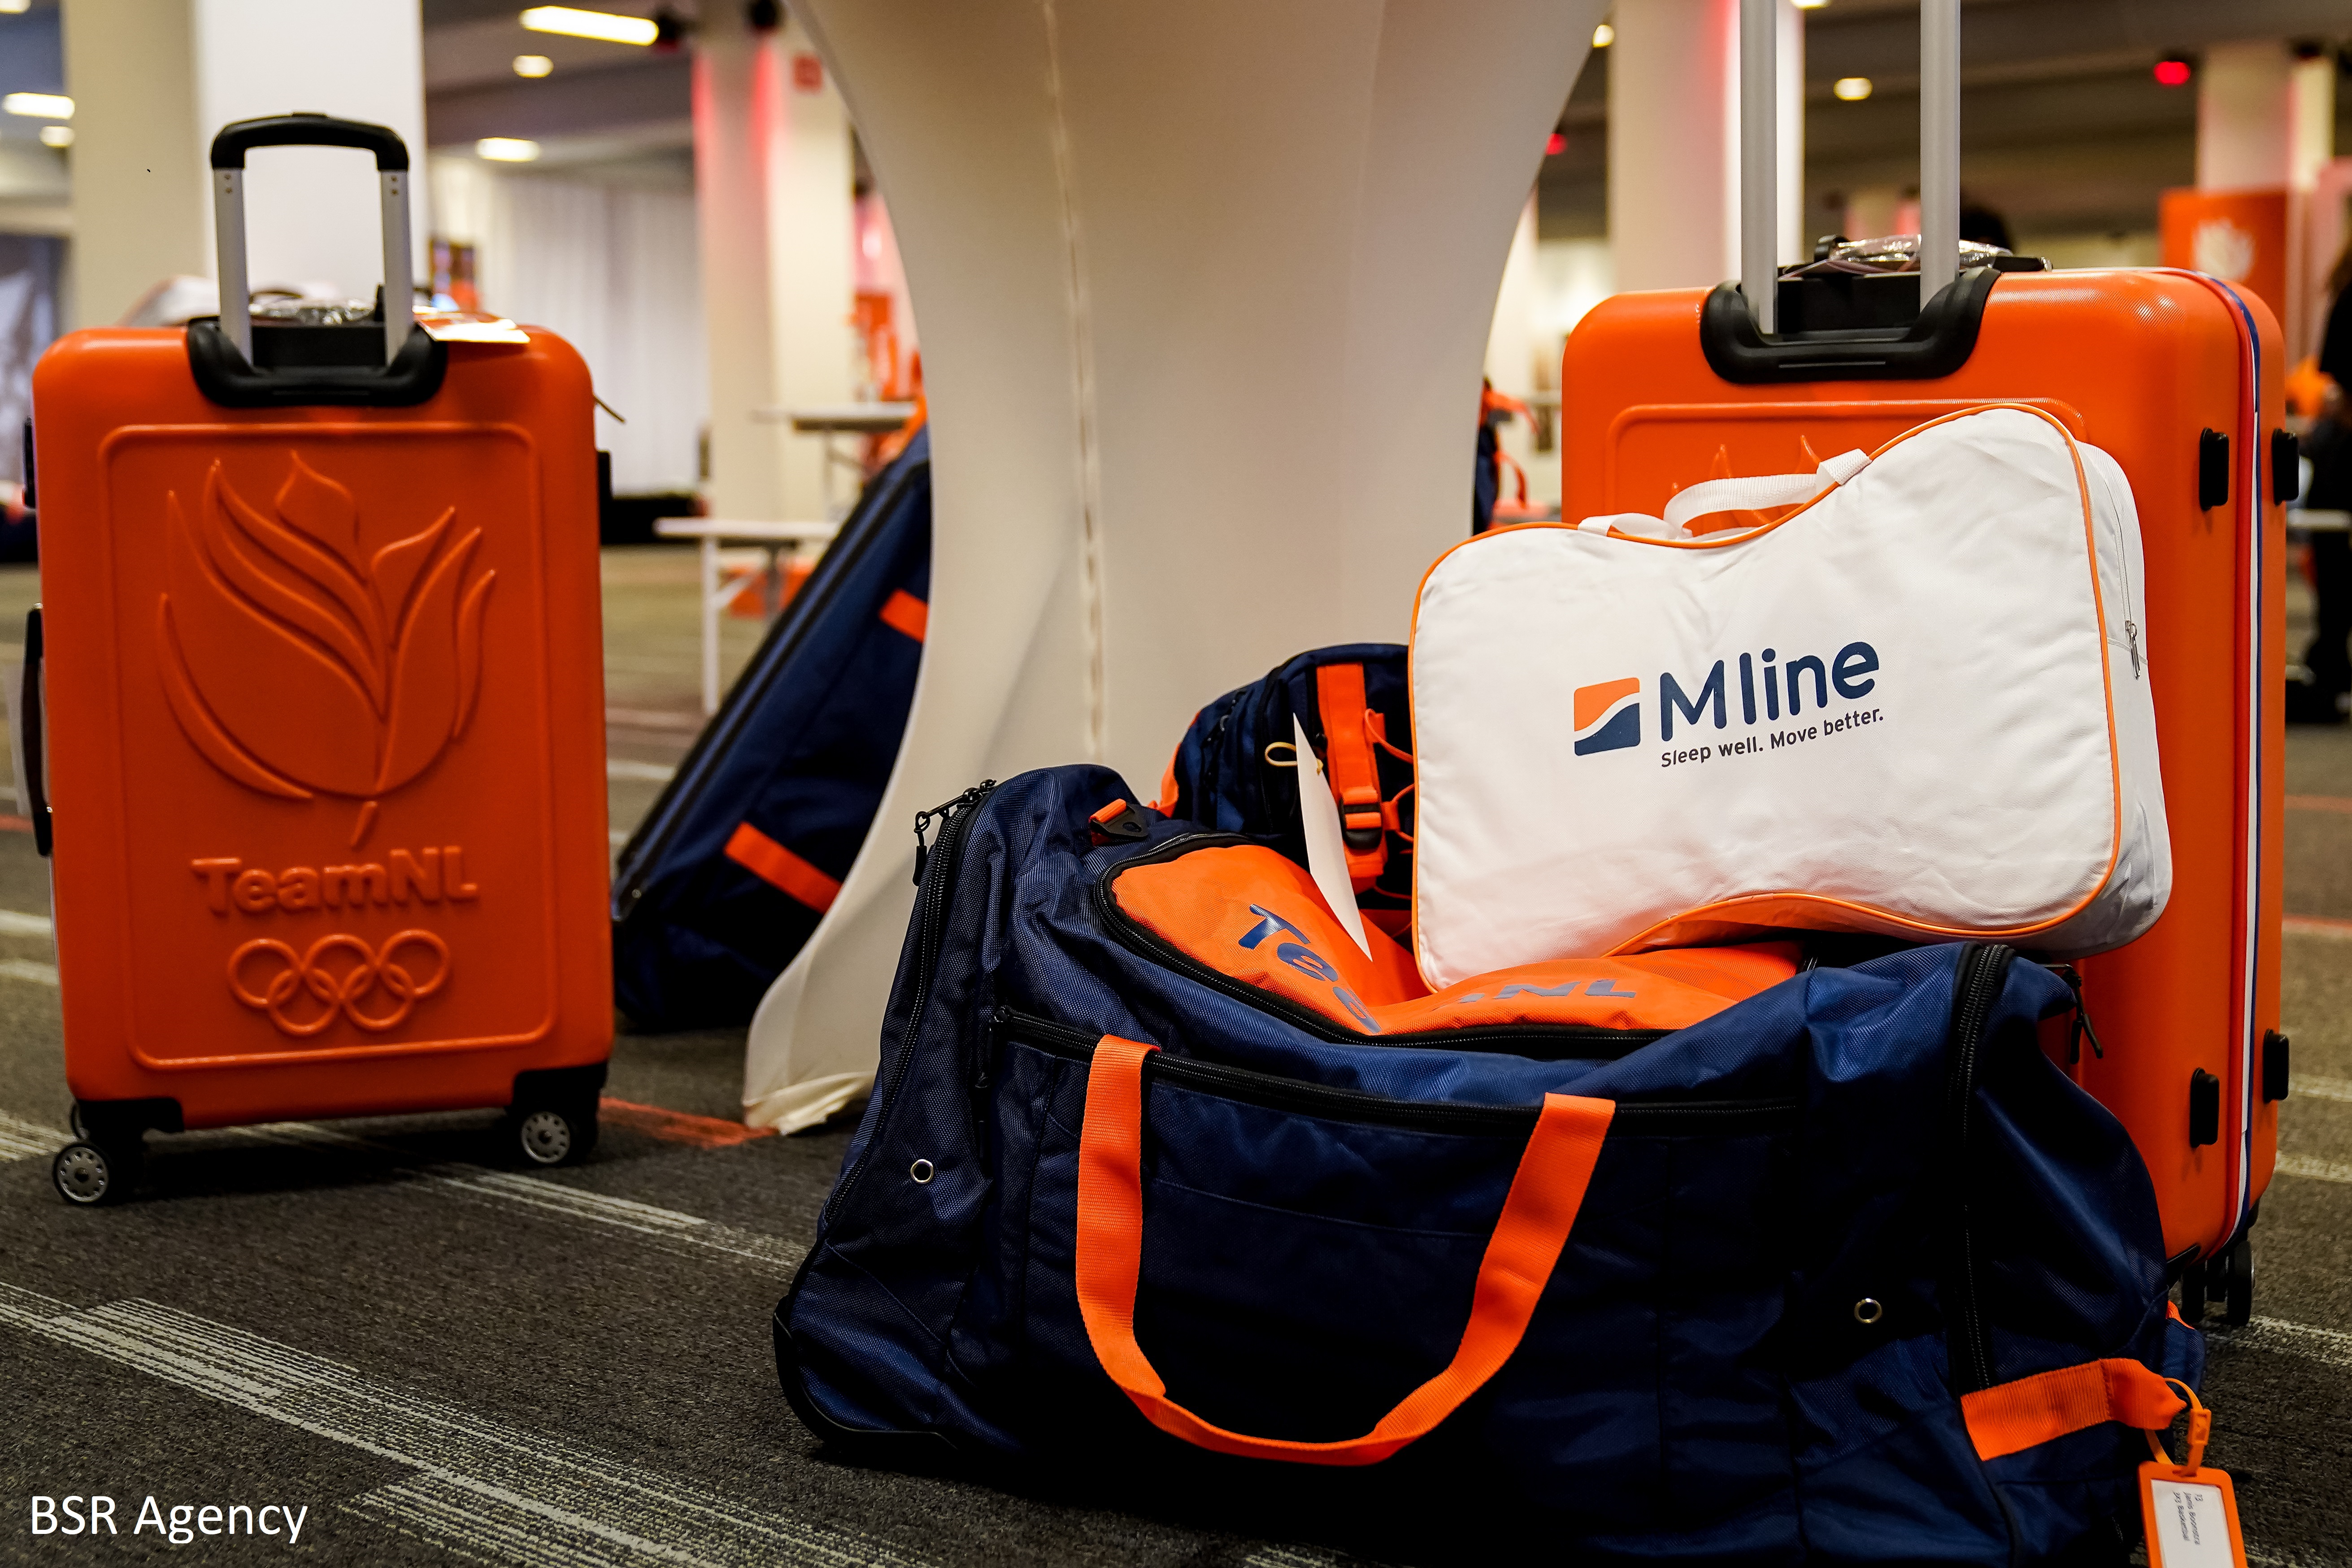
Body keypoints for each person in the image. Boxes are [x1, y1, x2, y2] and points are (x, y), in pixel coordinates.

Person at [2289, 239, 2352, 723]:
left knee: (2333, 575)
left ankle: (2331, 666)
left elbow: (2341, 390)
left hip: (2344, 458)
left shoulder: (2346, 296)